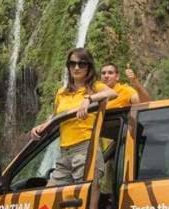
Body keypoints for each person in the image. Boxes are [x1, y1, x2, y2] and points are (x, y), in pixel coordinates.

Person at [30, 48, 116, 186]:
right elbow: (56, 116)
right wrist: (41, 127)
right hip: (64, 153)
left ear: (89, 67)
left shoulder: (95, 87)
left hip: (86, 150)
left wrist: (89, 99)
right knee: (52, 196)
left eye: (82, 64)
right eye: (72, 63)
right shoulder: (62, 93)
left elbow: (112, 93)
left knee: (85, 204)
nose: (76, 67)